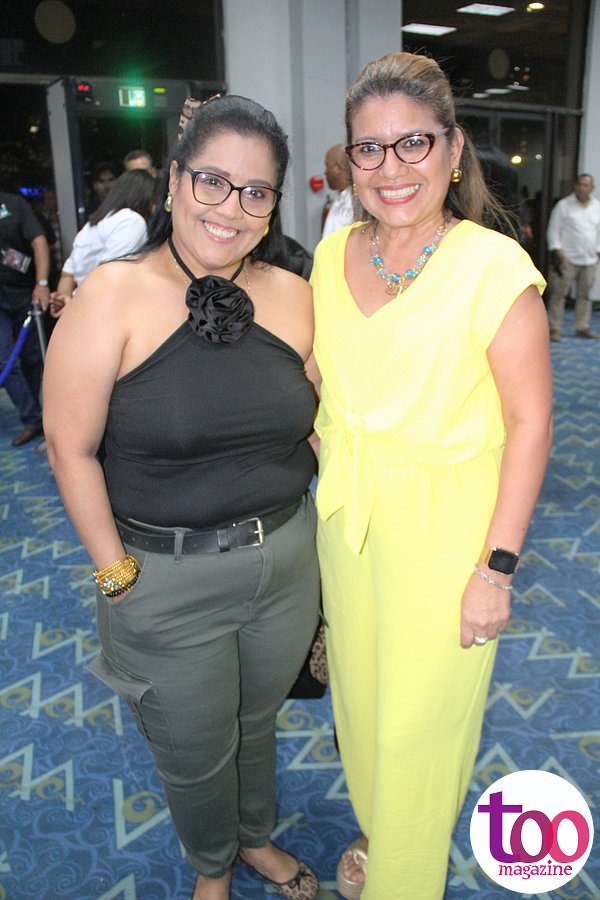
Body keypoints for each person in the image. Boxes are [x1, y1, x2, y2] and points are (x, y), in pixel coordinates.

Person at [42, 94, 320, 900]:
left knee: (257, 724)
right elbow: (69, 447)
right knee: (195, 751)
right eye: (211, 181)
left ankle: (256, 837)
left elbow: (321, 427)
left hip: (286, 564)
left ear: (272, 204)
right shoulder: (112, 294)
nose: (230, 208)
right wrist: (115, 574)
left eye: (255, 191)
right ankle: (212, 866)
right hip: (164, 577)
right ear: (172, 181)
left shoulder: (294, 294)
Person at [309, 51, 553, 899]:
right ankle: (385, 836)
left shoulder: (495, 268)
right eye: (369, 148)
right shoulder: (331, 254)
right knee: (363, 713)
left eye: (413, 142)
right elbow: (317, 385)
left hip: (449, 543)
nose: (391, 167)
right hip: (348, 526)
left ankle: (404, 879)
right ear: (350, 160)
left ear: (453, 150)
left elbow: (530, 426)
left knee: (420, 734)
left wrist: (496, 570)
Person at [49, 169, 156, 317]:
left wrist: (65, 302)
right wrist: (73, 303)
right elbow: (109, 272)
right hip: (106, 309)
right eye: (154, 199)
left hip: (86, 309)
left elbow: (67, 275)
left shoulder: (92, 224)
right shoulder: (131, 220)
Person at [0, 188, 50, 445]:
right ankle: (31, 418)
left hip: (23, 293)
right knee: (4, 361)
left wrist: (42, 283)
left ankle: (43, 417)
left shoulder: (14, 204)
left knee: (32, 359)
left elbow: (38, 241)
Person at [546, 172, 600, 341]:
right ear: (575, 186)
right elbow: (553, 230)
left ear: (592, 188)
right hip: (567, 259)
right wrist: (558, 251)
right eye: (579, 184)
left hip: (589, 260)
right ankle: (554, 328)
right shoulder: (563, 206)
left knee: (585, 296)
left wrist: (598, 252)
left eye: (586, 185)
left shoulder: (597, 207)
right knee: (559, 295)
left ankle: (582, 327)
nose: (582, 188)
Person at [322, 143, 354, 238]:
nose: (325, 173)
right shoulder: (340, 199)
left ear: (338, 168)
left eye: (327, 166)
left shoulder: (355, 203)